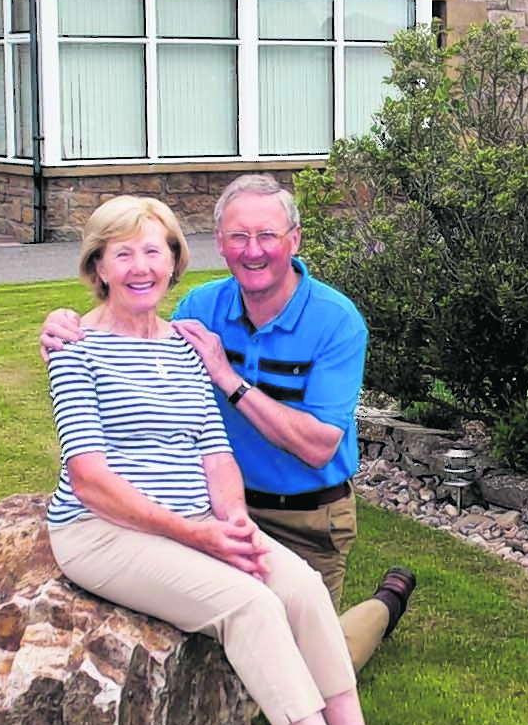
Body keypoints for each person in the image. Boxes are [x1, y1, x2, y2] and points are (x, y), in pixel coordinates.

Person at [43, 195, 432, 725]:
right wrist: (199, 535)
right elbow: (89, 478)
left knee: (301, 587)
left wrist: (233, 525)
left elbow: (213, 450)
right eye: (124, 252)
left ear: (174, 261)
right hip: (102, 530)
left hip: (225, 515)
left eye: (156, 250)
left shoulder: (191, 342)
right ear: (99, 265)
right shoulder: (77, 347)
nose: (142, 266)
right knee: (250, 606)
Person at [42, 175, 408, 668]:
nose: (252, 251)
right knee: (247, 654)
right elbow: (130, 323)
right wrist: (64, 325)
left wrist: (227, 377)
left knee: (310, 666)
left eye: (266, 236)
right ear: (219, 243)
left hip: (308, 516)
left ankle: (385, 605)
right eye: (238, 237)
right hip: (217, 511)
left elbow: (319, 446)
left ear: (294, 240)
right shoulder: (202, 308)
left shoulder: (336, 321)